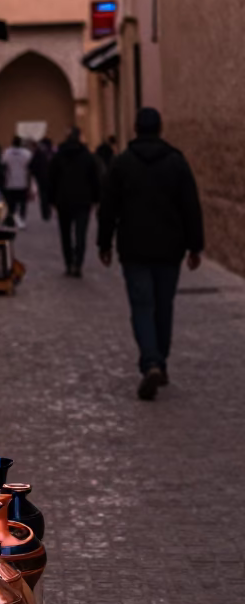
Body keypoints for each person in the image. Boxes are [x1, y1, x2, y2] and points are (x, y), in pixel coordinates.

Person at [97, 107, 203, 401]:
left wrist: (104, 243)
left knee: (142, 306)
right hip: (170, 248)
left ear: (135, 128)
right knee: (163, 306)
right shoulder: (176, 163)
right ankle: (161, 362)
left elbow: (108, 208)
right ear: (160, 128)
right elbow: (190, 206)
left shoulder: (122, 164)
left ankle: (151, 362)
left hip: (135, 248)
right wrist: (196, 246)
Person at [48, 127, 100, 277]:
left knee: (65, 234)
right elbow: (94, 180)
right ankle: (78, 263)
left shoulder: (58, 156)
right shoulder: (87, 156)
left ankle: (69, 262)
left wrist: (51, 199)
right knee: (80, 234)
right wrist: (96, 199)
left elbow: (51, 179)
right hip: (83, 200)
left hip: (63, 200)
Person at [1, 135, 32, 228]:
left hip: (10, 183)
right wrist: (30, 184)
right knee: (23, 204)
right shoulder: (27, 153)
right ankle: (21, 220)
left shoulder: (7, 153)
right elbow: (29, 169)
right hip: (23, 182)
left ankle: (12, 220)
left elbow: (3, 166)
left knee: (11, 204)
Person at [30, 136, 54, 220]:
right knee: (50, 194)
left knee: (43, 196)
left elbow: (32, 166)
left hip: (41, 178)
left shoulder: (38, 153)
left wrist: (35, 174)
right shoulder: (52, 152)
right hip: (52, 178)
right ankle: (49, 210)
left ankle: (45, 213)